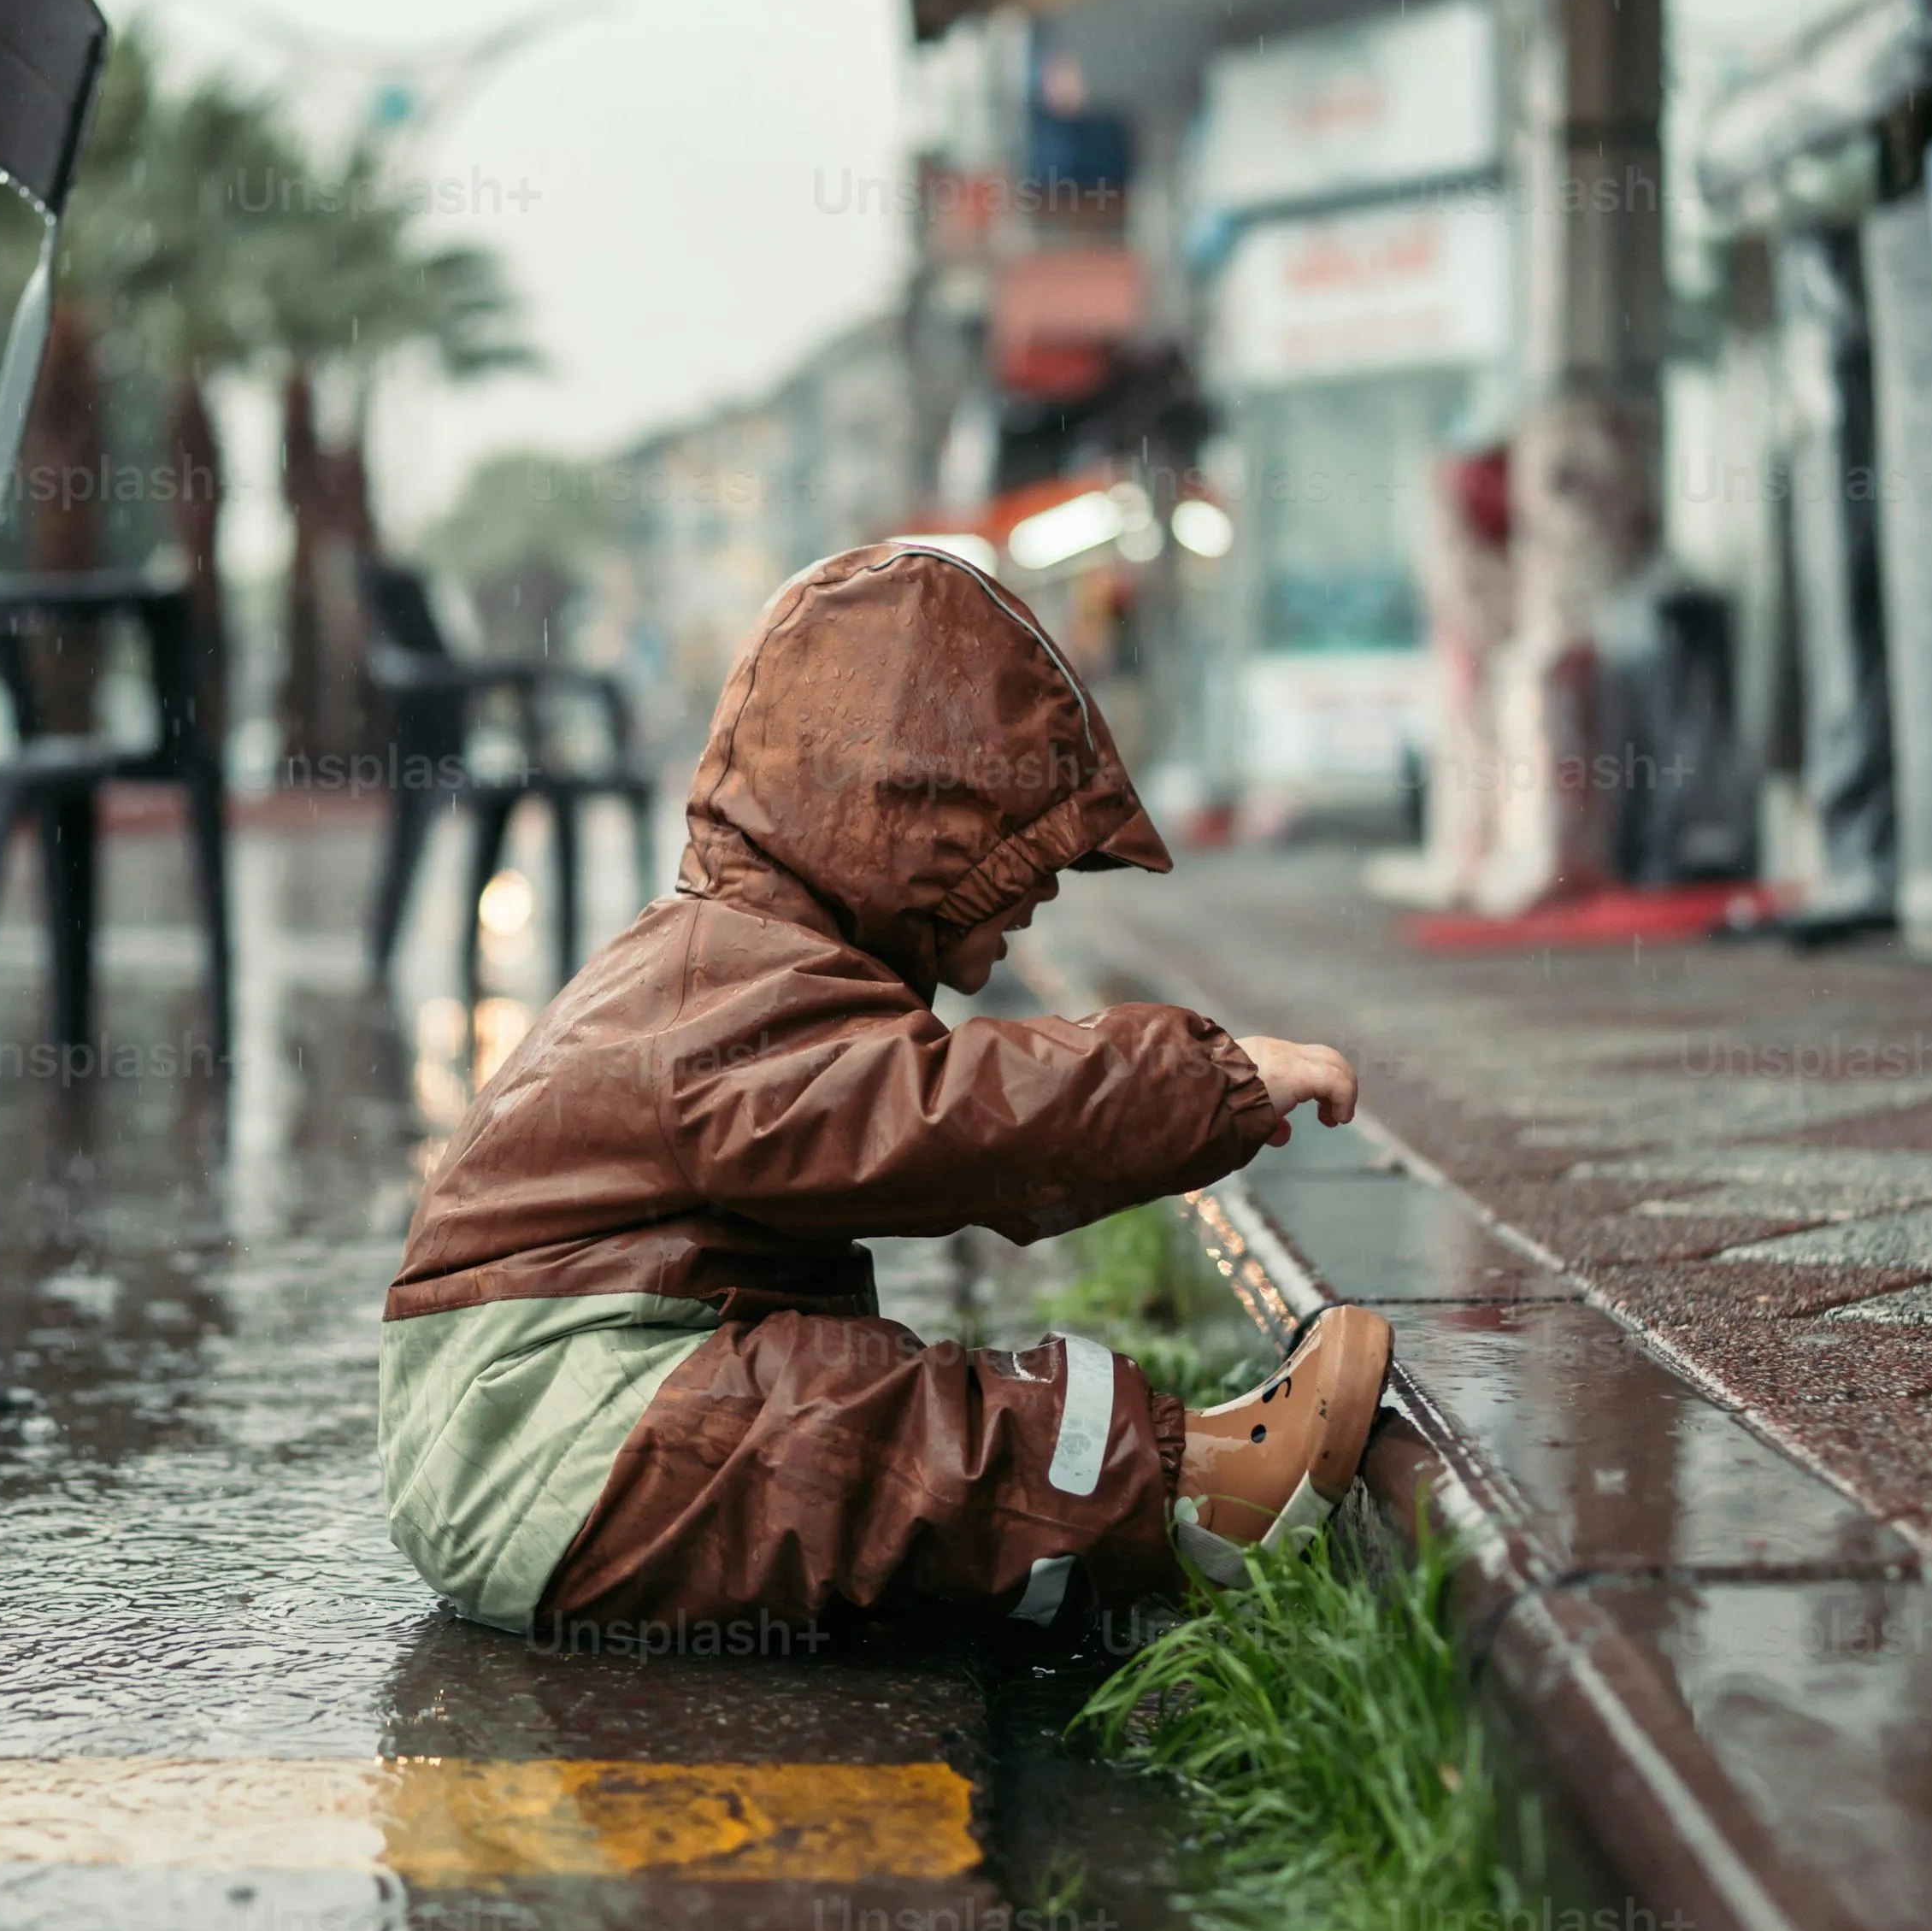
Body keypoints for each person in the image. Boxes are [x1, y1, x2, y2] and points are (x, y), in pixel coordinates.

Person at [380, 539, 1392, 1640]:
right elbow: (938, 1120)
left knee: (848, 1406)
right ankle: (1197, 1496)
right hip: (552, 1438)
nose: (1041, 894)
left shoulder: (738, 957)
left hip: (558, 1422)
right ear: (896, 824)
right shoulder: (729, 981)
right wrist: (1201, 1082)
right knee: (861, 1434)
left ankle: (1125, 1528)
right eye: (1010, 853)